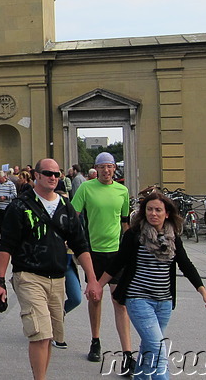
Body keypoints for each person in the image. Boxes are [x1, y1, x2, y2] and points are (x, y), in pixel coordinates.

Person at [0, 158, 101, 380]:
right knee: (39, 334)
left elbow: (80, 245)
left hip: (57, 278)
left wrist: (92, 279)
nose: (52, 177)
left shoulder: (65, 207)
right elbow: (7, 246)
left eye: (57, 174)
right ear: (37, 176)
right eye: (48, 173)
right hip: (28, 276)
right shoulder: (20, 206)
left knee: (49, 335)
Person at [98, 191, 206, 379]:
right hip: (138, 299)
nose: (153, 213)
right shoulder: (134, 235)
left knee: (149, 348)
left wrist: (203, 292)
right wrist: (98, 285)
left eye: (158, 210)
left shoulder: (172, 237)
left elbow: (185, 264)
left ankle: (141, 377)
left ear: (167, 213)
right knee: (158, 350)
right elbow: (118, 262)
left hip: (164, 302)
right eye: (149, 209)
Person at [72, 152, 134, 374]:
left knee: (120, 302)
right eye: (103, 167)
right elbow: (73, 215)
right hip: (93, 253)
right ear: (96, 169)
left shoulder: (122, 190)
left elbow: (125, 222)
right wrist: (74, 244)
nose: (107, 171)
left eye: (110, 167)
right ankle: (95, 340)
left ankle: (127, 354)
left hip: (116, 254)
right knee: (95, 298)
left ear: (114, 168)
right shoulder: (86, 188)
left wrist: (131, 248)